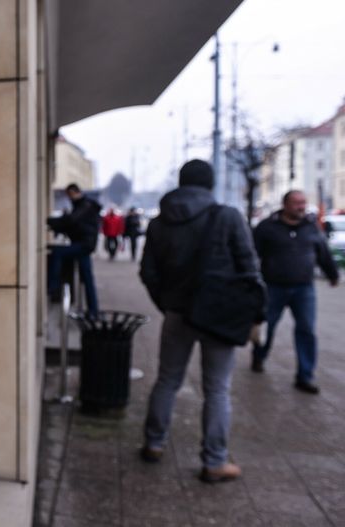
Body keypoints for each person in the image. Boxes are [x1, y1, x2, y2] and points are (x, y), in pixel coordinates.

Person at [139, 160, 259, 483]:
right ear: (210, 184)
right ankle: (214, 461)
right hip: (219, 315)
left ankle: (153, 443)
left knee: (167, 380)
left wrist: (167, 304)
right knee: (217, 389)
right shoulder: (228, 216)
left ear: (180, 182)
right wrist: (254, 312)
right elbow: (250, 268)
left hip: (177, 313)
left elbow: (148, 272)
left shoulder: (160, 222)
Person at [251, 190, 339, 393]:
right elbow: (252, 254)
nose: (301, 207)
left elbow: (323, 252)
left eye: (303, 203)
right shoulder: (267, 227)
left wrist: (332, 274)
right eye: (297, 203)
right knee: (267, 326)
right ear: (285, 205)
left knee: (306, 330)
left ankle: (305, 376)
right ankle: (259, 356)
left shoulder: (311, 226)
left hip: (304, 288)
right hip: (273, 287)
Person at [47, 184, 101, 316]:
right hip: (84, 244)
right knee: (87, 278)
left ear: (75, 192)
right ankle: (93, 310)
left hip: (83, 244)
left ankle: (53, 287)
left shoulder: (85, 205)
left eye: (70, 195)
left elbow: (72, 221)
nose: (69, 198)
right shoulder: (83, 205)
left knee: (57, 253)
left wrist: (52, 222)